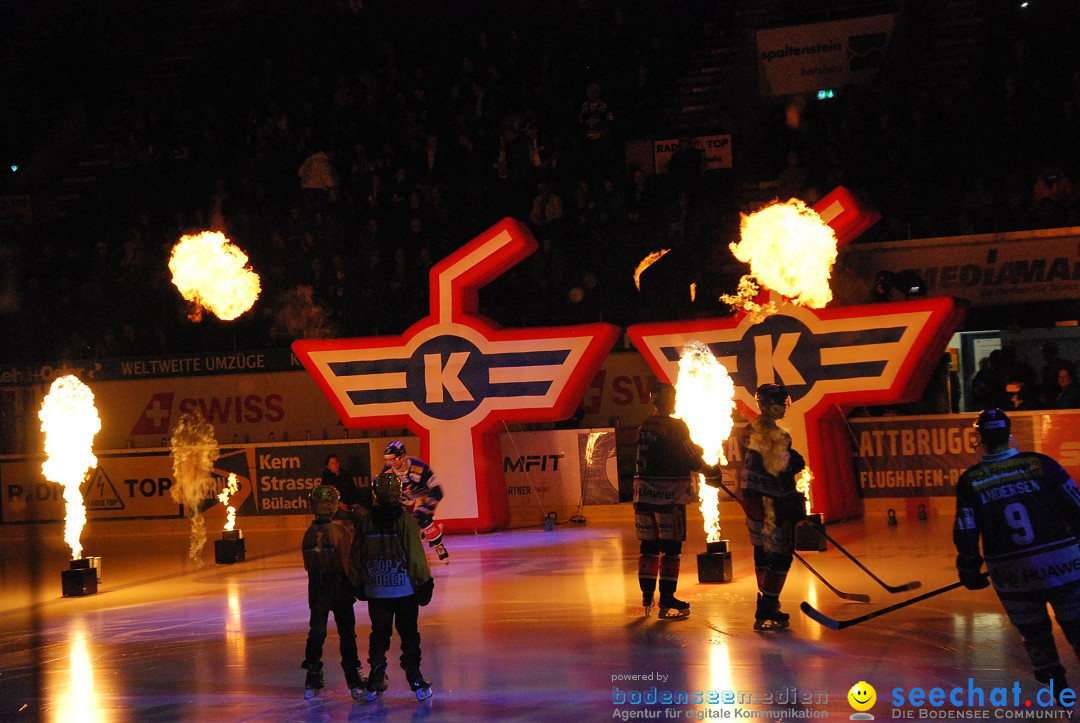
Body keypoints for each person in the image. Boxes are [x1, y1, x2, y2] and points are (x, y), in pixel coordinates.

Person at [954, 408, 1080, 699]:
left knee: (1035, 634)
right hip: (1065, 564)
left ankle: (1058, 693)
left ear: (980, 438)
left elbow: (966, 530)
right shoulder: (1041, 464)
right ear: (1009, 434)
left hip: (1012, 574)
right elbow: (1075, 506)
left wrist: (969, 567)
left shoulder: (971, 480)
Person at [633, 382, 714, 619]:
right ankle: (667, 597)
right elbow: (688, 455)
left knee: (648, 547)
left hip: (643, 495)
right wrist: (710, 470)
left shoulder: (645, 425)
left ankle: (647, 595)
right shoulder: (675, 426)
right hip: (669, 495)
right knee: (671, 548)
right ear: (669, 400)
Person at [352, 472, 435, 702]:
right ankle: (416, 681)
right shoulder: (404, 520)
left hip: (377, 590)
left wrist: (357, 581)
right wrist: (424, 582)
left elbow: (357, 553)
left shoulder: (367, 521)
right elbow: (416, 555)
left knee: (379, 634)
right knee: (409, 634)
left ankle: (376, 679)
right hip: (404, 590)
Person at [738, 383, 808, 631]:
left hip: (751, 499)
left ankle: (766, 601)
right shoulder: (777, 435)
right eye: (781, 404)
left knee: (763, 552)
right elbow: (782, 473)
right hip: (772, 502)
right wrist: (794, 504)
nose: (784, 409)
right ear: (768, 405)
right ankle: (767, 605)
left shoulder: (748, 430)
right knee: (782, 554)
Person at [300, 484, 365, 701]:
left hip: (317, 590)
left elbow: (308, 566)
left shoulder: (309, 534)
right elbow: (348, 565)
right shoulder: (340, 533)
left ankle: (312, 676)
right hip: (339, 591)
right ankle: (353, 679)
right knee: (347, 634)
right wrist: (358, 586)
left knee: (317, 632)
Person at [381, 441, 449, 563]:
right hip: (402, 498)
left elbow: (438, 490)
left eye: (394, 459)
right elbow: (381, 491)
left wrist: (429, 507)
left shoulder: (420, 468)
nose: (392, 463)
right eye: (388, 460)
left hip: (422, 496)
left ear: (403, 456)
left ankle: (438, 545)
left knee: (421, 518)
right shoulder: (387, 471)